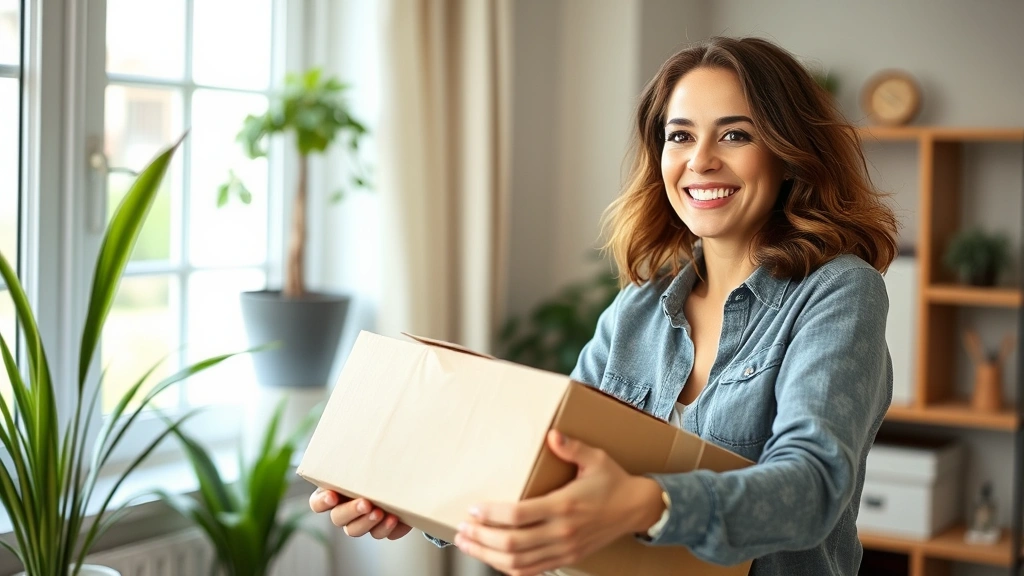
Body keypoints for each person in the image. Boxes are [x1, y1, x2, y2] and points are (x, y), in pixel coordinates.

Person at [310, 36, 898, 576]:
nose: (701, 161)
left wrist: (646, 503)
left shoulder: (839, 292)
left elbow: (813, 487)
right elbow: (539, 464)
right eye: (680, 135)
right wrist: (411, 498)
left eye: (735, 135)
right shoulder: (636, 311)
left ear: (789, 154)